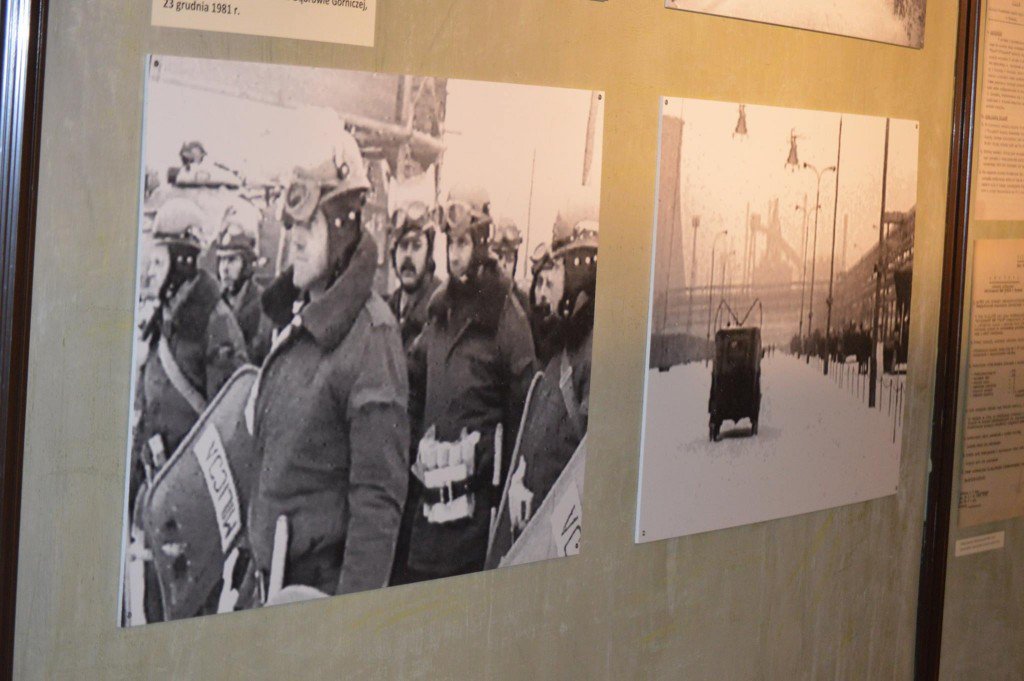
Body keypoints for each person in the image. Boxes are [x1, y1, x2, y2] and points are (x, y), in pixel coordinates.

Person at [246, 130, 409, 602]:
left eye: (308, 225)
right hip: (269, 588)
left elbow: (377, 506)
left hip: (314, 597)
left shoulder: (372, 337)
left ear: (340, 228)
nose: (293, 240)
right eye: (291, 225)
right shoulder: (300, 321)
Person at [400, 184, 536, 581]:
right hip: (428, 521)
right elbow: (412, 386)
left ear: (480, 244)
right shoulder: (438, 314)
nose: (455, 254)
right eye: (451, 243)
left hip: (477, 524)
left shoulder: (506, 317)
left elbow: (526, 411)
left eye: (463, 243)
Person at [128, 197, 249, 622]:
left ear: (181, 261)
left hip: (194, 514)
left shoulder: (215, 323)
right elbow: (146, 412)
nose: (150, 270)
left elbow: (231, 425)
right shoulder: (164, 319)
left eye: (159, 259)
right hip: (158, 500)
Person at [506, 202, 598, 539]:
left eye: (556, 268)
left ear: (579, 267)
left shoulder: (593, 353)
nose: (544, 291)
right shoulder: (565, 348)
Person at [215, 207, 272, 365]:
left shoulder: (263, 305)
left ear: (246, 264)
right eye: (221, 260)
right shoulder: (214, 303)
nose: (224, 268)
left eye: (232, 260)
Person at [387, 200, 442, 349]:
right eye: (403, 246)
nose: (408, 255)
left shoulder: (442, 308)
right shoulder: (387, 310)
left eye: (417, 246)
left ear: (429, 254)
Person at [490, 217, 529, 312]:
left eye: (509, 259)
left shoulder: (522, 302)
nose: (503, 264)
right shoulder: (480, 297)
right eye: (499, 257)